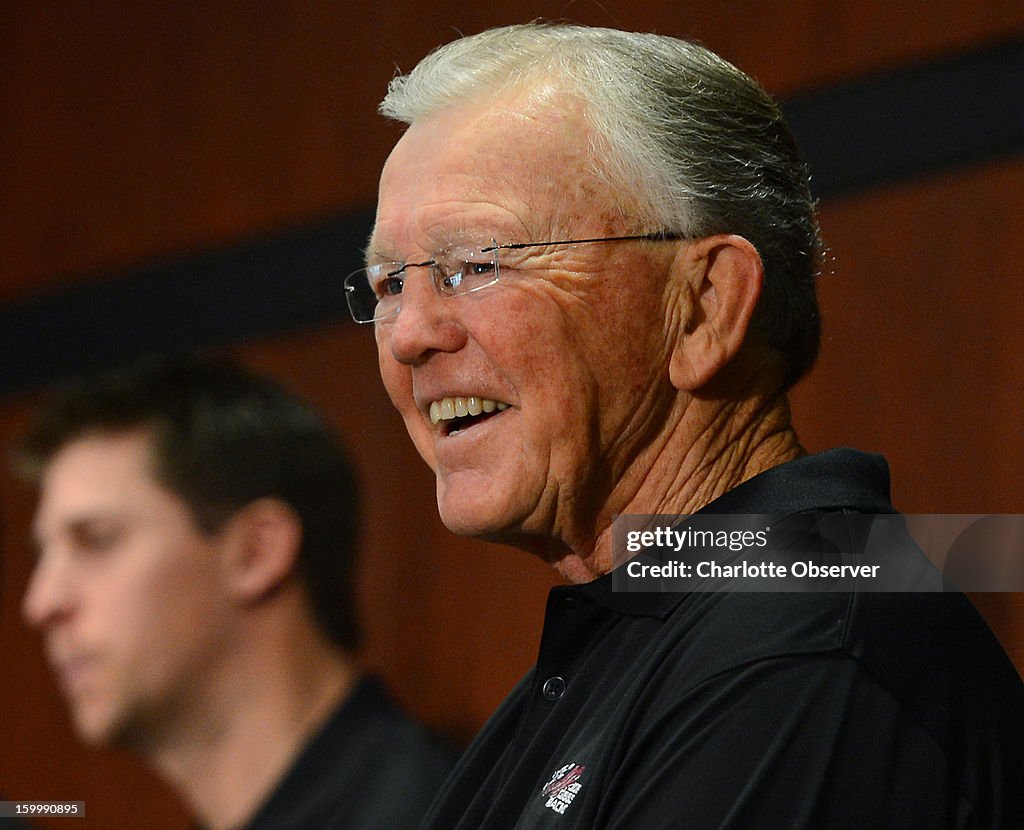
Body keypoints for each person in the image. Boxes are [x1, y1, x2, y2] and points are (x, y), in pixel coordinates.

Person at [349, 22, 1024, 828]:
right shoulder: (666, 615)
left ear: (703, 307)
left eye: (477, 265)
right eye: (390, 283)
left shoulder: (799, 650)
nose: (411, 334)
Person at [18, 354, 454, 830]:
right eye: (44, 553)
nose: (41, 604)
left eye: (96, 540)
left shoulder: (444, 815)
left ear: (256, 552)